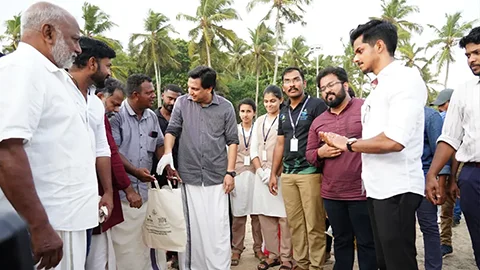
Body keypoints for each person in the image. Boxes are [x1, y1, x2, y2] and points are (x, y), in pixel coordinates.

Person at [322, 20, 427, 270]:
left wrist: (348, 144)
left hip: (397, 188)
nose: (355, 58)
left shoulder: (405, 78)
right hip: (377, 189)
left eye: (360, 51)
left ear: (379, 46)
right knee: (384, 262)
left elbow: (394, 139)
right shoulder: (378, 88)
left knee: (398, 262)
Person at [0, 2, 97, 269]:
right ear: (48, 32)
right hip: (50, 223)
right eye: (75, 39)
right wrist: (39, 225)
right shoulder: (20, 69)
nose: (78, 49)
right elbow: (7, 150)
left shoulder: (52, 75)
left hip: (66, 221)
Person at [156, 65, 238, 270]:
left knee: (217, 228)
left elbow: (232, 141)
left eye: (195, 89)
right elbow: (172, 130)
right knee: (192, 228)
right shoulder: (182, 103)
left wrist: (230, 172)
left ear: (209, 88)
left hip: (217, 177)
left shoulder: (226, 107)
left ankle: (219, 267)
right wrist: (167, 154)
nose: (190, 92)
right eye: (189, 87)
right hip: (189, 175)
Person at [306, 67, 377, 270]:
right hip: (332, 194)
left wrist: (351, 144)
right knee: (341, 241)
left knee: (366, 243)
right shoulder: (318, 122)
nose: (327, 91)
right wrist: (322, 153)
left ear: (345, 85)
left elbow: (378, 141)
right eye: (322, 88)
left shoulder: (365, 109)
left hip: (362, 193)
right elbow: (310, 154)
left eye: (331, 85)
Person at [426, 26, 480, 268]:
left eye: (477, 53)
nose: (472, 59)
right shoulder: (464, 91)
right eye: (468, 55)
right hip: (473, 175)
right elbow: (450, 137)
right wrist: (433, 173)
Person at [269, 67, 328, 270]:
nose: (292, 84)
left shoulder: (316, 105)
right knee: (294, 223)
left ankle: (316, 265)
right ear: (283, 86)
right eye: (287, 81)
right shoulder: (283, 111)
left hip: (311, 173)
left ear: (304, 82)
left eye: (296, 80)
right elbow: (279, 143)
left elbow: (326, 135)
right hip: (288, 174)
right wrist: (273, 173)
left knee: (314, 223)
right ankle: (301, 263)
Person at [109, 74, 166, 270]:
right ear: (135, 95)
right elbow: (113, 153)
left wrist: (167, 166)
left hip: (146, 191)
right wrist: (133, 173)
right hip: (125, 194)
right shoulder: (116, 116)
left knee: (148, 244)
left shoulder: (151, 117)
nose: (153, 96)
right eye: (149, 93)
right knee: (127, 249)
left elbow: (158, 144)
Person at [68, 36, 114, 259]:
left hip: (86, 201)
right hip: (57, 205)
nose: (109, 73)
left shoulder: (95, 103)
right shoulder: (59, 91)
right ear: (92, 63)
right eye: (108, 66)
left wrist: (107, 191)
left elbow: (102, 149)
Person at [251, 85, 293, 270]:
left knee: (284, 218)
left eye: (273, 101)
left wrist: (275, 172)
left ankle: (286, 257)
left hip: (281, 173)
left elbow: (287, 147)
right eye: (266, 101)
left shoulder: (286, 118)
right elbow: (253, 149)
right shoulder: (259, 121)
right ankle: (272, 254)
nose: (269, 104)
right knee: (265, 215)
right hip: (261, 175)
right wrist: (261, 172)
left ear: (281, 100)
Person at [231, 98, 265, 266]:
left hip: (255, 175)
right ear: (239, 113)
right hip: (238, 176)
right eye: (242, 111)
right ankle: (237, 249)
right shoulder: (233, 130)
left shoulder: (258, 131)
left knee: (257, 215)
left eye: (248, 111)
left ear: (254, 113)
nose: (245, 114)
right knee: (238, 215)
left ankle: (258, 248)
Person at [418, 107, 450, 270]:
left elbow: (441, 151)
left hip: (425, 175)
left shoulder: (430, 116)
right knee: (403, 227)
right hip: (401, 177)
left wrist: (441, 184)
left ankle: (433, 267)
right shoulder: (395, 113)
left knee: (429, 225)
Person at [430, 88, 458, 257]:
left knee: (447, 207)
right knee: (447, 207)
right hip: (454, 166)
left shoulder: (444, 118)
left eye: (443, 105)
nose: (441, 109)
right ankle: (445, 241)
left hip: (461, 166)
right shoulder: (441, 118)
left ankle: (446, 242)